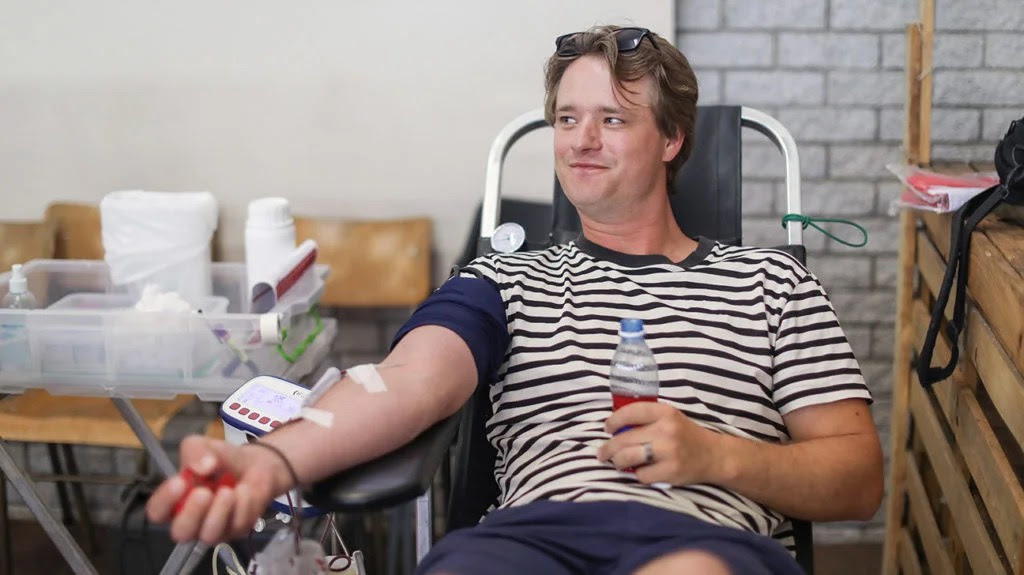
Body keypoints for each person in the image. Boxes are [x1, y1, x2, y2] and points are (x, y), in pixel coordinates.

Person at [147, 25, 883, 574]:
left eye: (613, 118)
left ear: (670, 140)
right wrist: (272, 462)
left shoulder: (773, 283)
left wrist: (717, 455)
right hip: (527, 544)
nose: (580, 141)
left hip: (704, 543)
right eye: (567, 118)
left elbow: (857, 478)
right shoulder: (503, 280)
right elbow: (400, 384)